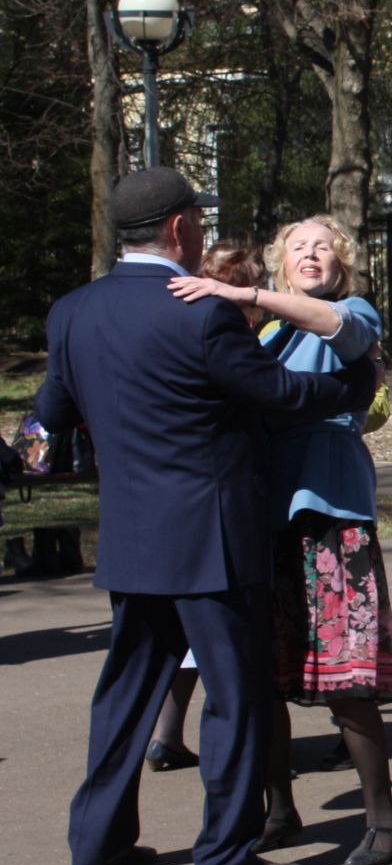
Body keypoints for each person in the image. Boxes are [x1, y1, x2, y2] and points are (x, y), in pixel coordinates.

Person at [38, 167, 374, 865]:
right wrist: (355, 384)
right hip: (213, 537)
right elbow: (280, 395)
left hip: (131, 534)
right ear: (182, 228)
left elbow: (54, 417)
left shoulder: (72, 311)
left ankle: (97, 843)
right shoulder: (198, 311)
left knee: (124, 693)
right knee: (236, 693)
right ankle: (223, 854)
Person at [171, 215, 392, 865]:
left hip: (332, 517)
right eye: (297, 248)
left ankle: (385, 821)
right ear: (280, 262)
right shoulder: (268, 334)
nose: (311, 255)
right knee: (264, 677)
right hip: (264, 517)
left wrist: (242, 295)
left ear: (344, 263)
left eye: (323, 247)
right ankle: (279, 810)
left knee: (348, 679)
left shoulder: (349, 311)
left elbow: (345, 332)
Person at [146, 241, 271, 776]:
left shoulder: (177, 325)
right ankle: (242, 763)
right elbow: (272, 398)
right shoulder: (226, 333)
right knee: (224, 644)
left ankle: (167, 735)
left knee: (181, 640)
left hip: (157, 511)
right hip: (219, 504)